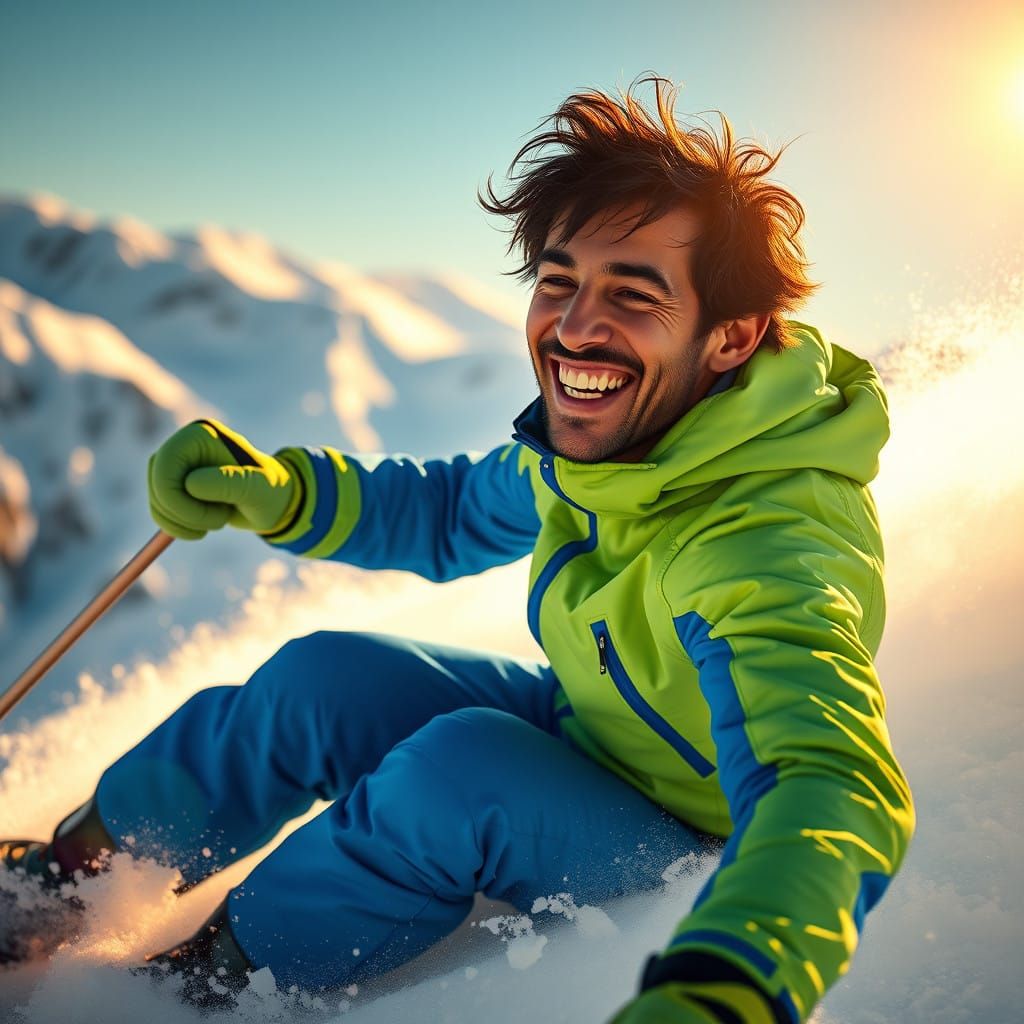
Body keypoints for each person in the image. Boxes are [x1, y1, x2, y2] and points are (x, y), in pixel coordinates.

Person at [1, 76, 914, 1023]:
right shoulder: (606, 450)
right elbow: (448, 513)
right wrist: (284, 491)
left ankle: (202, 990)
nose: (573, 328)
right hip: (586, 734)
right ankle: (64, 881)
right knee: (326, 679)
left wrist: (734, 986)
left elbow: (829, 788)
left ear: (731, 337)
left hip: (688, 835)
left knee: (455, 774)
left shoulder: (762, 537)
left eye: (633, 295)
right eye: (559, 282)